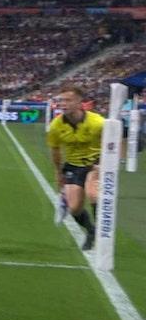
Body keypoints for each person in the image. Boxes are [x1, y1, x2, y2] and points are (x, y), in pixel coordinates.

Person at [47, 86, 104, 250]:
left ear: (80, 102)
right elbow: (55, 149)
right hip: (73, 165)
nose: (63, 104)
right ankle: (91, 231)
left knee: (93, 193)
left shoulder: (97, 122)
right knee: (74, 208)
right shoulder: (56, 125)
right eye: (61, 100)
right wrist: (58, 172)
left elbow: (115, 140)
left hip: (95, 164)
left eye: (68, 100)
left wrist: (107, 163)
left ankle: (102, 235)